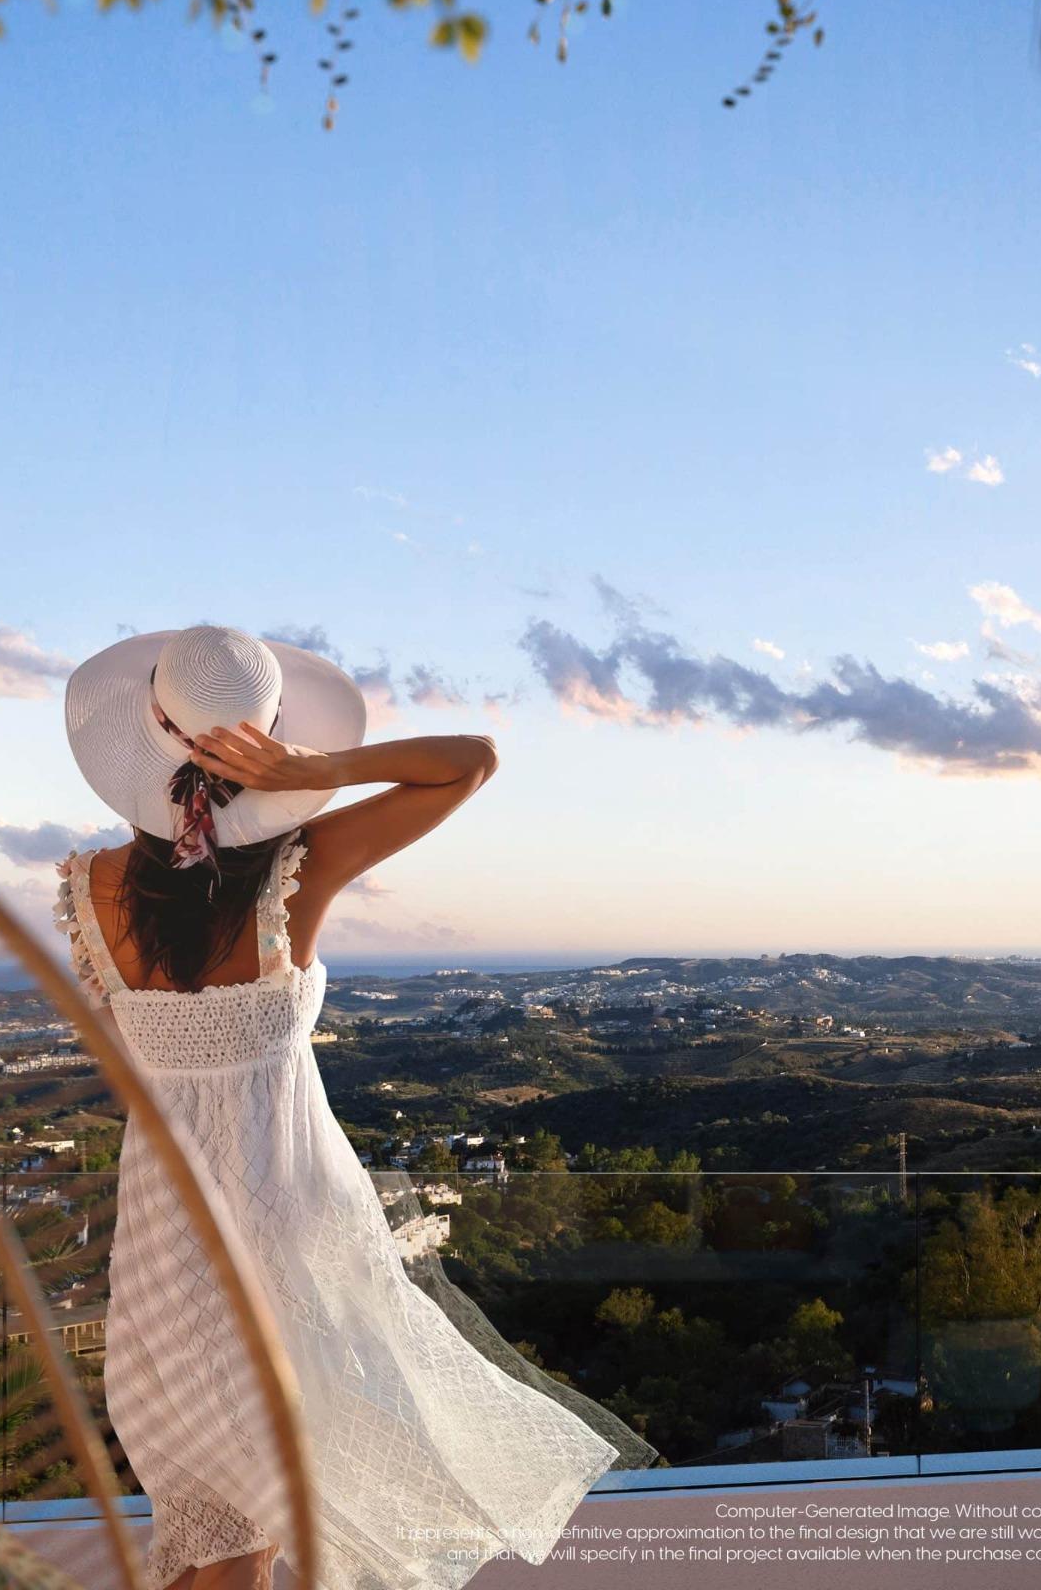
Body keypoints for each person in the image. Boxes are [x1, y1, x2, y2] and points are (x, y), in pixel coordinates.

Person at [56, 625, 651, 1590]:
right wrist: (319, 770)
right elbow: (470, 761)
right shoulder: (301, 868)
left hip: (163, 1235)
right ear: (266, 743)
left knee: (210, 1518)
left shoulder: (90, 888)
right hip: (286, 1218)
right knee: (257, 1512)